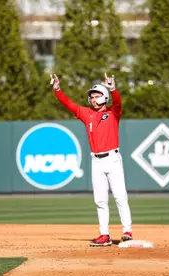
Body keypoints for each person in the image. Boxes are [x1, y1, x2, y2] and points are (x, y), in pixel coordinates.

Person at [51, 73, 133, 247]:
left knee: (120, 196)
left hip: (112, 158)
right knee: (100, 200)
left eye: (96, 96)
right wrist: (57, 90)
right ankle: (104, 235)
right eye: (92, 97)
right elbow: (69, 104)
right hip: (96, 160)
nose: (93, 99)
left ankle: (127, 231)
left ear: (104, 97)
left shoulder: (112, 112)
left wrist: (113, 89)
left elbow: (118, 102)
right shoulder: (86, 113)